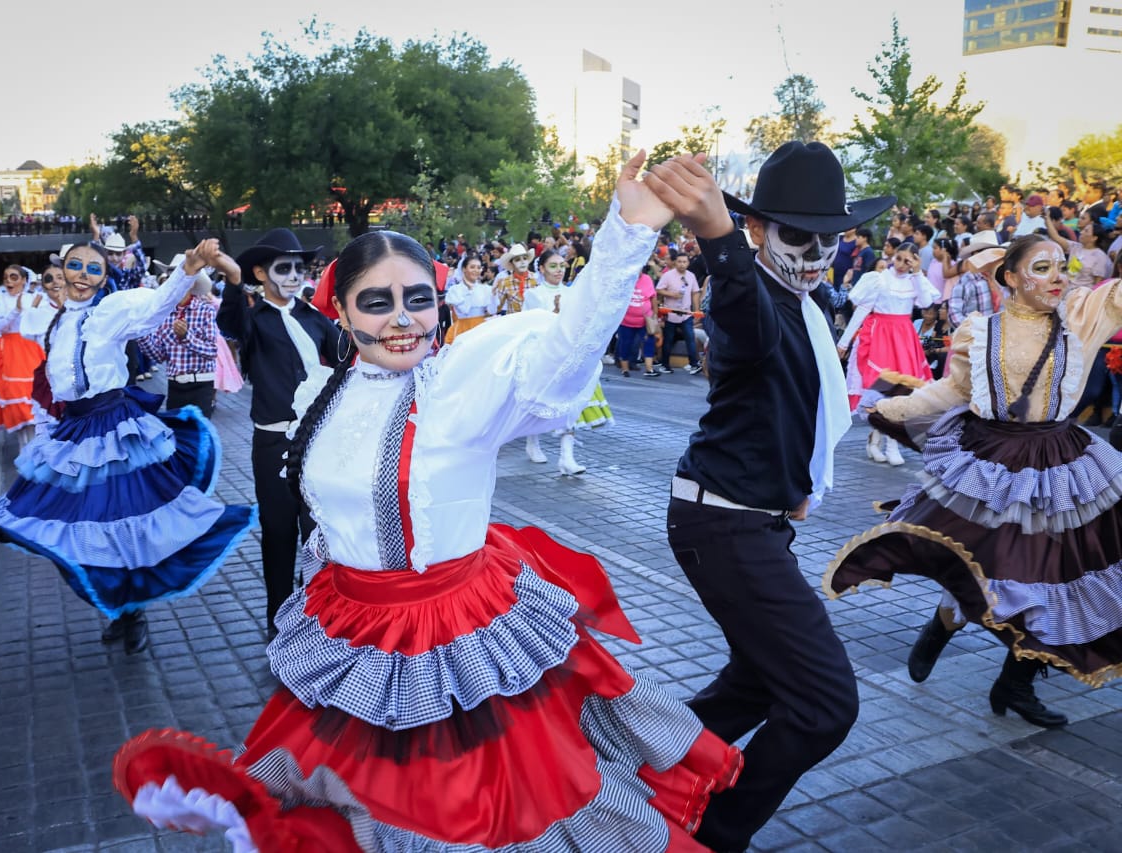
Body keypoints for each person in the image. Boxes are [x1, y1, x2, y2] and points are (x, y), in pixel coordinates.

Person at [112, 151, 743, 851]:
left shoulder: (458, 389)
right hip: (351, 636)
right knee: (356, 815)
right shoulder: (317, 395)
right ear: (341, 311)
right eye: (376, 301)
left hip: (453, 643)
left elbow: (565, 353)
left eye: (417, 298)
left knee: (472, 820)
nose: (402, 318)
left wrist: (627, 231)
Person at [658, 142, 893, 852]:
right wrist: (713, 231)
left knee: (756, 685)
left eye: (831, 235)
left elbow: (797, 401)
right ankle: (714, 833)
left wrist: (795, 486)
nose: (818, 250)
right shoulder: (754, 297)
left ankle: (633, 765)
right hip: (722, 523)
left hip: (748, 521)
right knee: (825, 705)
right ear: (758, 230)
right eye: (798, 234)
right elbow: (738, 304)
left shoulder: (807, 304)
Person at [827, 235, 1122, 728]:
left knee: (1050, 575)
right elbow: (952, 389)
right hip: (993, 461)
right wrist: (889, 408)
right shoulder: (980, 332)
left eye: (1061, 268)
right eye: (1042, 268)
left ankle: (1016, 684)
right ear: (1010, 277)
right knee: (985, 560)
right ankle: (942, 625)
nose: (1057, 279)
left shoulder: (1084, 316)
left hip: (1062, 465)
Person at [0, 240, 257, 655]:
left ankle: (131, 611)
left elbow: (156, 306)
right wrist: (49, 435)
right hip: (74, 432)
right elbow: (55, 382)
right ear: (61, 272)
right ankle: (121, 608)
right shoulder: (56, 323)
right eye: (74, 266)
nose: (81, 275)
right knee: (74, 524)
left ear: (103, 278)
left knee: (120, 522)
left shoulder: (110, 312)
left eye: (92, 269)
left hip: (114, 430)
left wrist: (188, 267)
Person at [217, 228, 340, 636]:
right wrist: (234, 283)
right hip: (273, 441)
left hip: (319, 440)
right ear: (261, 272)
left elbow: (347, 352)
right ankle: (277, 618)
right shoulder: (253, 320)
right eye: (283, 268)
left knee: (318, 529)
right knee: (279, 531)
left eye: (299, 268)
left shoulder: (313, 317)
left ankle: (317, 612)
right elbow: (230, 322)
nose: (293, 275)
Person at [838, 243, 940, 465]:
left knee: (902, 391)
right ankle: (879, 443)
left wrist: (917, 273)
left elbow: (925, 302)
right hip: (881, 337)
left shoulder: (915, 281)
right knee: (883, 390)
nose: (902, 264)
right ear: (893, 256)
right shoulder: (879, 279)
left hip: (904, 338)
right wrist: (844, 341)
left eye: (908, 260)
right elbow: (862, 309)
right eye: (899, 258)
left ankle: (886, 443)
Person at [523, 249, 614, 475]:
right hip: (546, 354)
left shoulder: (572, 293)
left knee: (572, 403)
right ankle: (532, 441)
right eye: (553, 266)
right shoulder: (534, 294)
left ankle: (567, 456)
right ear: (542, 268)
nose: (559, 270)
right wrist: (554, 311)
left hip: (571, 355)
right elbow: (532, 326)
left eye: (562, 266)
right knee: (537, 402)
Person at [139, 257, 219, 417]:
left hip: (201, 384)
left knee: (198, 436)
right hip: (175, 384)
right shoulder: (164, 313)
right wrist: (141, 334)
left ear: (193, 282)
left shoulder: (206, 310)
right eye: (172, 277)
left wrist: (186, 337)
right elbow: (159, 355)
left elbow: (212, 351)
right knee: (177, 436)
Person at [0, 265, 46, 446]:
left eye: (14, 277)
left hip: (31, 351)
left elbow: (40, 326)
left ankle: (34, 447)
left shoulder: (36, 299)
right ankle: (24, 448)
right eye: (6, 277)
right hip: (9, 352)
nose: (9, 280)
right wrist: (16, 309)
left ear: (24, 280)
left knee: (33, 400)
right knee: (15, 401)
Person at [657, 250, 707, 374]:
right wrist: (672, 294)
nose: (682, 264)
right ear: (675, 263)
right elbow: (659, 290)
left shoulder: (691, 276)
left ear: (688, 263)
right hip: (671, 313)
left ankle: (694, 364)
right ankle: (665, 364)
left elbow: (695, 293)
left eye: (684, 262)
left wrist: (696, 310)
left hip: (686, 314)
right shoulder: (668, 275)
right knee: (668, 339)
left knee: (690, 338)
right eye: (679, 262)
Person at [442, 253, 496, 343]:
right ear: (464, 269)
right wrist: (470, 291)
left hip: (481, 327)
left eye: (479, 268)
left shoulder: (485, 289)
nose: (476, 270)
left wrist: (493, 296)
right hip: (462, 329)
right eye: (472, 267)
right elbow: (464, 309)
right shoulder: (455, 290)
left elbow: (492, 310)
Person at [616, 267, 658, 377]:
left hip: (645, 320)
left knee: (649, 342)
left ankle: (649, 369)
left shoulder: (647, 279)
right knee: (625, 344)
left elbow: (653, 297)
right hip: (626, 320)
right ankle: (625, 369)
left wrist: (655, 314)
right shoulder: (624, 279)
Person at [491, 242, 536, 315]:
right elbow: (496, 309)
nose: (522, 262)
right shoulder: (505, 282)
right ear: (511, 263)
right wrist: (493, 295)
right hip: (515, 323)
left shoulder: (536, 279)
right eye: (517, 260)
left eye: (525, 258)